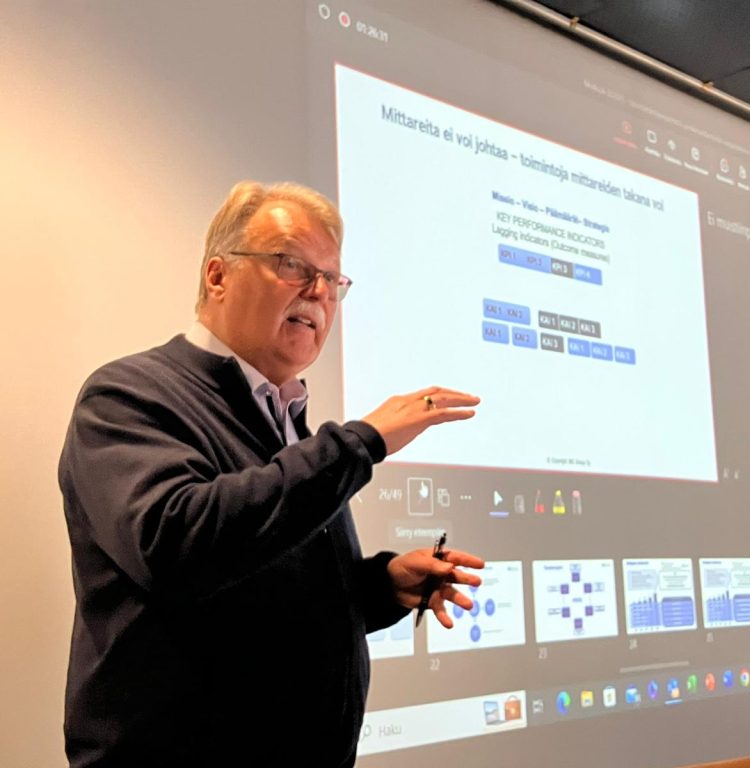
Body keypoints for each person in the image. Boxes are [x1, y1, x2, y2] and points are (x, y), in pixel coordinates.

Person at [58, 181, 485, 768]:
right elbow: (174, 545)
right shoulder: (128, 396)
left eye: (331, 279)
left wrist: (381, 585)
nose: (319, 292)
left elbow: (261, 590)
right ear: (217, 276)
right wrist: (362, 440)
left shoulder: (282, 417)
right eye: (292, 265)